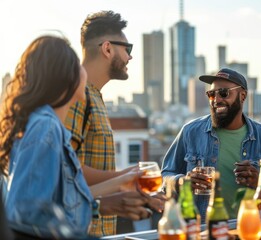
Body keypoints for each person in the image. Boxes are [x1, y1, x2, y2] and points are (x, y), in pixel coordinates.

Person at [0, 36, 158, 238]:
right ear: (65, 76)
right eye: (76, 64)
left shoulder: (51, 127)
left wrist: (118, 187)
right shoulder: (45, 128)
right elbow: (26, 217)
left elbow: (58, 205)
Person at [161, 68, 261, 220]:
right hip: (202, 230)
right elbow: (165, 175)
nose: (216, 100)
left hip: (251, 229)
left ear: (242, 96)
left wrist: (260, 183)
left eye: (223, 93)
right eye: (211, 94)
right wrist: (183, 182)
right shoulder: (190, 132)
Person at [65, 10, 136, 236]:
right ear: (107, 48)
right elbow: (67, 169)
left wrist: (127, 180)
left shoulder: (94, 95)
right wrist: (126, 178)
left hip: (99, 230)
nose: (130, 57)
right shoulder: (77, 95)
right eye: (128, 49)